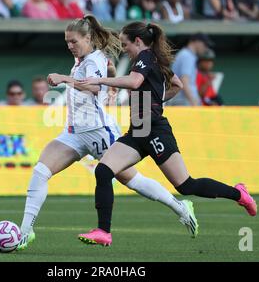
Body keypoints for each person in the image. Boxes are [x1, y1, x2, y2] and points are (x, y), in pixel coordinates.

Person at [17, 15, 198, 250]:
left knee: (132, 180)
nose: (70, 46)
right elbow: (109, 69)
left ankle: (181, 208)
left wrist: (64, 79)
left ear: (87, 38)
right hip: (74, 132)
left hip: (99, 132)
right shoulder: (87, 59)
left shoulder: (92, 61)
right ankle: (25, 231)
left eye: (74, 41)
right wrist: (111, 82)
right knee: (40, 172)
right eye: (67, 41)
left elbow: (92, 86)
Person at [78, 21, 256, 245]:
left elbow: (135, 82)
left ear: (138, 41)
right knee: (103, 171)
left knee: (186, 185)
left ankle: (239, 193)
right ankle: (104, 232)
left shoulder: (145, 57)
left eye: (125, 45)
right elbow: (177, 84)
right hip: (139, 129)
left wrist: (100, 80)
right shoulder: (152, 61)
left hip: (154, 131)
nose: (124, 49)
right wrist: (155, 98)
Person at [167, 33, 213, 106]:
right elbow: (184, 82)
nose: (205, 48)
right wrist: (194, 102)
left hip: (184, 100)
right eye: (205, 45)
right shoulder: (186, 56)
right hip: (183, 101)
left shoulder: (188, 55)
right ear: (197, 42)